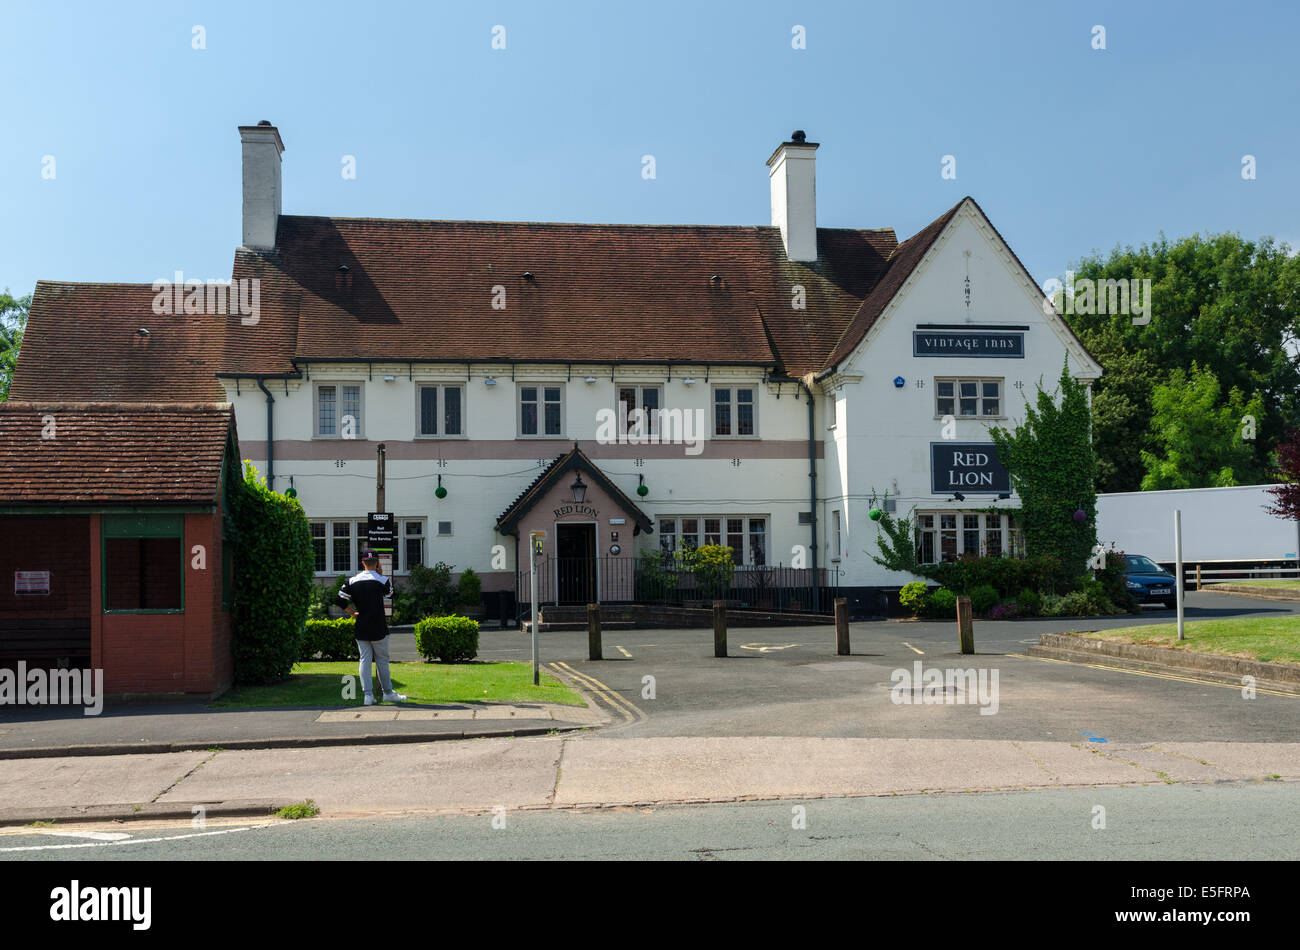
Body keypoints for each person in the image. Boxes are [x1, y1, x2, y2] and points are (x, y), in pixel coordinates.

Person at [337, 550, 407, 705]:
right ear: (377, 563)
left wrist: (352, 613)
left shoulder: (352, 581)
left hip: (361, 624)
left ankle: (368, 696)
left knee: (364, 660)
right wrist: (381, 574)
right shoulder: (382, 579)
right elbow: (390, 595)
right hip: (378, 625)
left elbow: (339, 599)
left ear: (362, 563)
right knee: (382, 660)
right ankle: (388, 693)